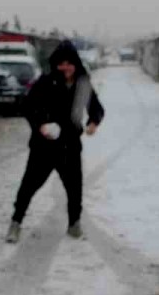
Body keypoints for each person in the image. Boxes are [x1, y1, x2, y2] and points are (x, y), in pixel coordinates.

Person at [6, 41, 104, 243]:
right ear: (55, 64)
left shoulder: (83, 84)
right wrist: (40, 125)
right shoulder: (46, 81)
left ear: (76, 63)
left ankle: (74, 224)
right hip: (44, 146)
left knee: (74, 187)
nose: (65, 67)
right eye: (61, 63)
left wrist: (93, 122)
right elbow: (27, 107)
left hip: (70, 146)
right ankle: (16, 222)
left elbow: (96, 107)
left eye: (69, 63)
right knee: (29, 185)